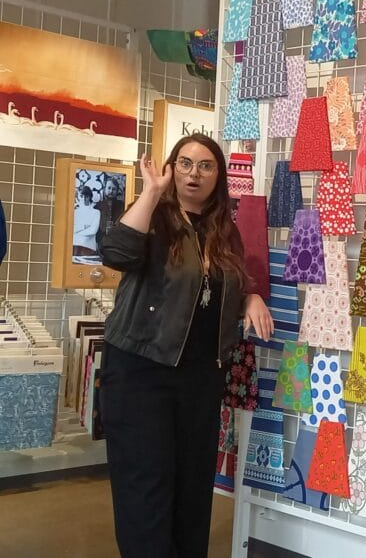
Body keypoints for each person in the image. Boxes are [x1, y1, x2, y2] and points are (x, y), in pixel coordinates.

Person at [99, 133, 274, 557]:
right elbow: (116, 253)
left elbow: (220, 286)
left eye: (206, 165)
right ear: (172, 168)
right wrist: (151, 193)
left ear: (218, 176)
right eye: (185, 163)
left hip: (200, 377)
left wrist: (249, 296)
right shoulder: (156, 218)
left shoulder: (224, 231)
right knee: (147, 487)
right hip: (142, 369)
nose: (194, 173)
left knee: (194, 489)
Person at [96, 175, 125, 250]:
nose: (111, 191)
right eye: (109, 188)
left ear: (117, 191)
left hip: (117, 243)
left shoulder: (123, 206)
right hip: (100, 242)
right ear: (105, 189)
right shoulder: (98, 206)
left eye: (114, 189)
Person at [72, 186, 100, 257]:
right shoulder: (75, 212)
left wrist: (77, 232)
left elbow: (93, 231)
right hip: (74, 245)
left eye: (86, 196)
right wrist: (85, 227)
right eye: (81, 196)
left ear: (90, 197)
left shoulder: (96, 212)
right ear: (78, 197)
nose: (84, 199)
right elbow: (72, 230)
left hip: (88, 247)